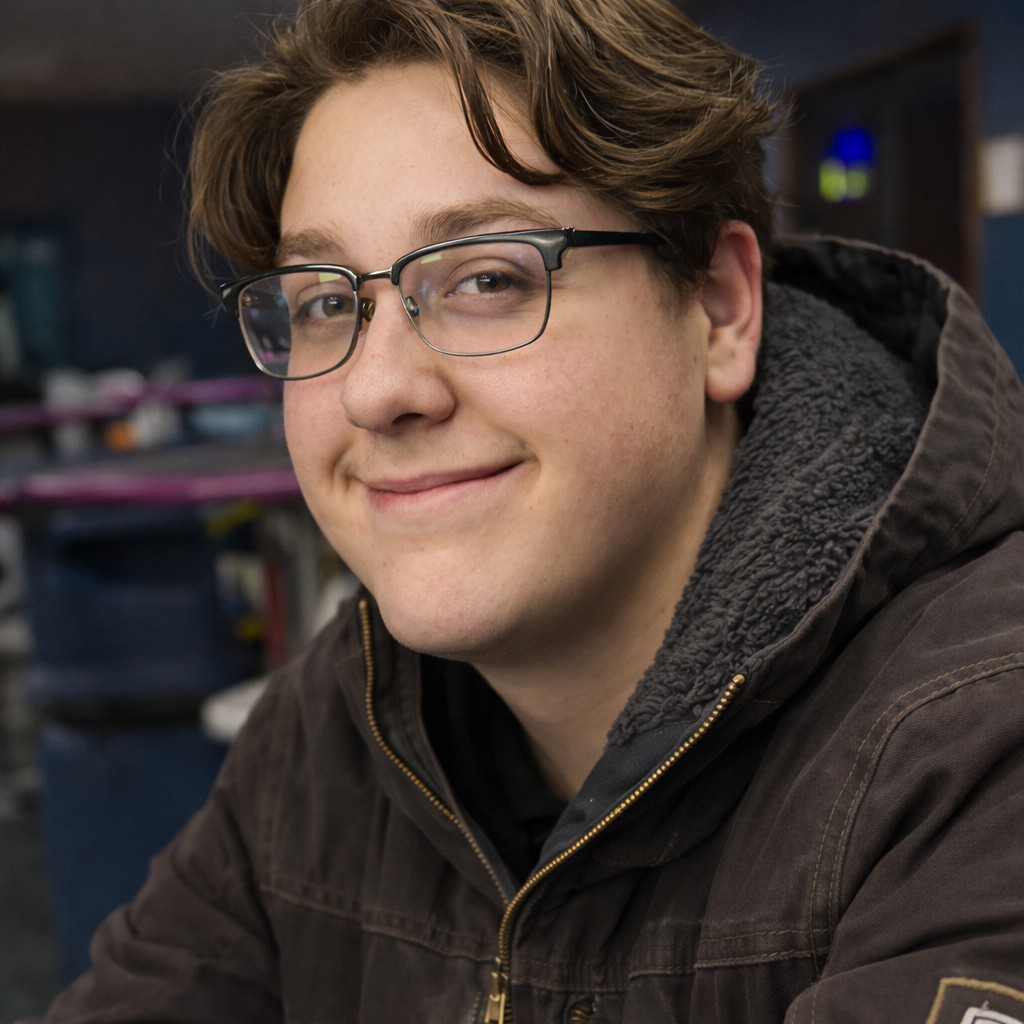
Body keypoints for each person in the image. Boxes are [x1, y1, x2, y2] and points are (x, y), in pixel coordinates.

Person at [39, 0, 1024, 1021]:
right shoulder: (338, 724)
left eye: (487, 278)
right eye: (326, 302)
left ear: (719, 308)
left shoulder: (979, 749)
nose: (376, 389)